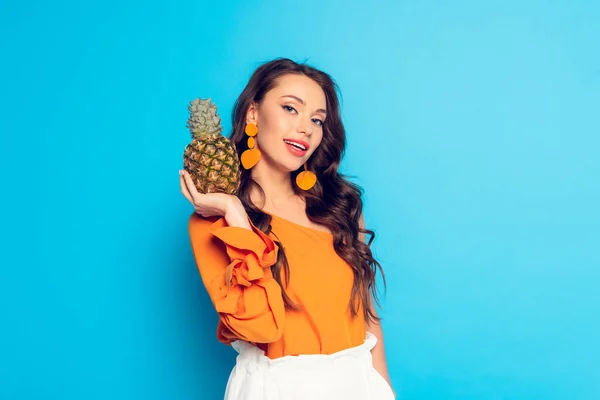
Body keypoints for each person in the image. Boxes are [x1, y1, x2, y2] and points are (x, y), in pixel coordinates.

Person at [179, 57, 395, 399]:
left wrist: (384, 390)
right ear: (253, 113)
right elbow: (260, 326)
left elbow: (367, 315)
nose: (306, 128)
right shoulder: (215, 222)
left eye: (317, 119)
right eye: (290, 109)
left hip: (357, 385)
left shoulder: (340, 207)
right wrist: (235, 212)